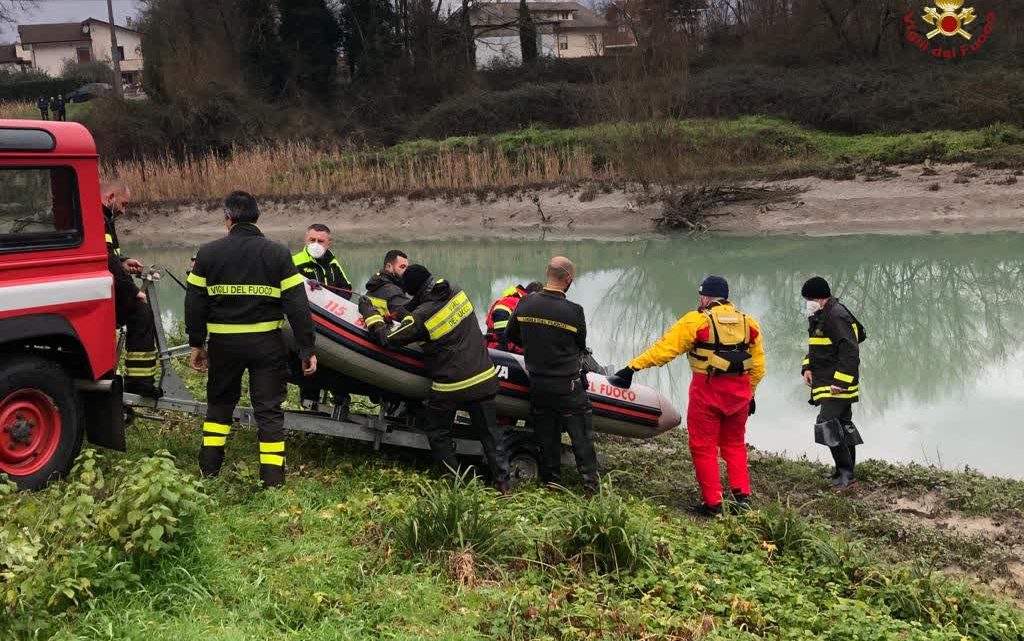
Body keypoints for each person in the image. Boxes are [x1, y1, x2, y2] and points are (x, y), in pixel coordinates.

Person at [185, 191, 317, 489]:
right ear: (258, 218)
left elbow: (194, 302)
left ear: (227, 219)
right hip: (267, 344)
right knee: (268, 410)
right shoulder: (278, 253)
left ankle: (209, 471)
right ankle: (272, 481)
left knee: (219, 405)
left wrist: (197, 343)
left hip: (223, 346)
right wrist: (306, 347)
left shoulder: (207, 253)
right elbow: (297, 304)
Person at [608, 275, 766, 517]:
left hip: (707, 391)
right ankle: (742, 497)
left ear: (704, 297)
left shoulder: (696, 321)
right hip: (740, 392)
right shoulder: (749, 323)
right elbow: (758, 366)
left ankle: (713, 503)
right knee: (734, 445)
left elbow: (665, 349)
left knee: (703, 447)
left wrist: (632, 368)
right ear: (726, 298)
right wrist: (750, 393)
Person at [358, 265, 510, 491]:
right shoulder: (456, 291)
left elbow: (387, 338)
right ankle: (504, 485)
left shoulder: (422, 317)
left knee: (439, 433)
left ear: (412, 291)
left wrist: (370, 314)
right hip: (484, 377)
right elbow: (420, 305)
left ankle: (455, 482)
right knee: (490, 435)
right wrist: (400, 313)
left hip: (451, 385)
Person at [506, 258, 599, 493]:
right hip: (567, 384)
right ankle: (590, 486)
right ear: (568, 280)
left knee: (546, 436)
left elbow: (512, 336)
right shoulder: (574, 312)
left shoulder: (525, 303)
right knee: (581, 438)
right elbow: (580, 345)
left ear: (547, 272)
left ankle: (552, 483)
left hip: (538, 382)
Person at [800, 276, 866, 490]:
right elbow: (817, 347)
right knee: (842, 424)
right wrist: (807, 367)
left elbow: (850, 351)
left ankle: (847, 475)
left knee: (827, 423)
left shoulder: (836, 316)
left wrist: (840, 382)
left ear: (819, 298)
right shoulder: (821, 315)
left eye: (808, 298)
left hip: (837, 383)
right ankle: (844, 472)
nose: (806, 303)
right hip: (829, 379)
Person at [101, 180, 161, 397]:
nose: (124, 211)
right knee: (141, 313)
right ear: (110, 198)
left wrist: (124, 261)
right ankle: (139, 382)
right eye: (123, 204)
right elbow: (105, 259)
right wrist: (133, 291)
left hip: (102, 288)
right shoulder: (100, 218)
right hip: (103, 291)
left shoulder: (101, 217)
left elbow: (110, 255)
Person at [485, 282, 543, 353]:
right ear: (533, 295)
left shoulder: (520, 302)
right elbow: (503, 337)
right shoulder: (512, 302)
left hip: (498, 351)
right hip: (497, 352)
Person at [292, 223, 351, 291]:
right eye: (312, 240)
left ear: (328, 243)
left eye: (320, 241)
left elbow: (346, 288)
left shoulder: (332, 262)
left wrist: (333, 300)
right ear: (306, 240)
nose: (315, 244)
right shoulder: (293, 263)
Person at [365, 249, 411, 317]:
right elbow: (413, 317)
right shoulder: (391, 291)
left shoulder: (376, 284)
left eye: (407, 268)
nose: (407, 271)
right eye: (402, 267)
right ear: (388, 267)